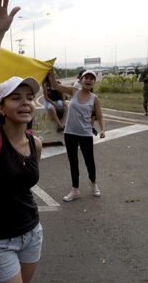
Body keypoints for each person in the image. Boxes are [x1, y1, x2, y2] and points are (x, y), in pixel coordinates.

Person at [0, 0, 43, 283]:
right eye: (15, 98)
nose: (25, 102)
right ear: (1, 108)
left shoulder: (35, 143)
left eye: (29, 97)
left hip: (33, 232)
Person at [48, 69, 106, 202]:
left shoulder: (94, 98)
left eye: (92, 78)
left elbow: (100, 116)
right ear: (81, 80)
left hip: (85, 134)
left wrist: (102, 130)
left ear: (93, 82)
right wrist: (51, 73)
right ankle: (75, 190)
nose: (89, 80)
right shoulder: (74, 91)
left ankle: (93, 184)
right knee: (73, 162)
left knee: (89, 161)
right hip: (70, 133)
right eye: (86, 77)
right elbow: (56, 86)